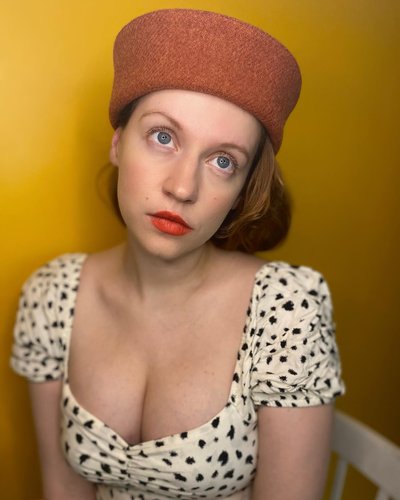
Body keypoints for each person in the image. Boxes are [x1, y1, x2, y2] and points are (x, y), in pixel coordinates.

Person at [10, 8, 345, 500]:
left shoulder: (285, 310)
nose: (183, 187)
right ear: (118, 143)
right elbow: (62, 489)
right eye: (163, 137)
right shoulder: (53, 296)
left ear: (242, 188)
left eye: (223, 160)